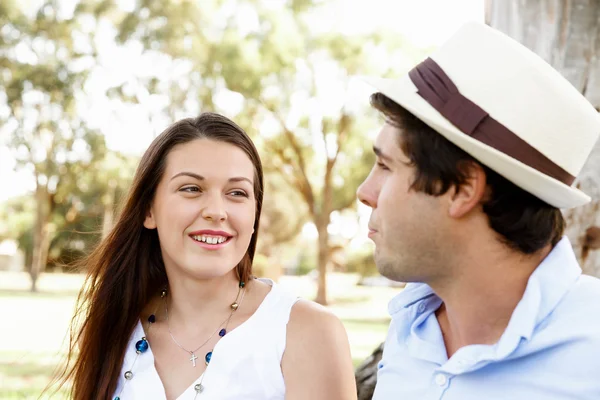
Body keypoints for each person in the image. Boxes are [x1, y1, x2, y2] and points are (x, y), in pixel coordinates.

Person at [356, 22, 600, 399]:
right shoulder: (409, 333)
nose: (365, 192)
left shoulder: (590, 357)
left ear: (464, 188)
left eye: (387, 166)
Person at [51, 113, 357, 400]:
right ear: (148, 210)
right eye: (191, 188)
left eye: (237, 193)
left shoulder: (307, 332)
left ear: (254, 215)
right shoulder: (117, 322)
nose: (216, 211)